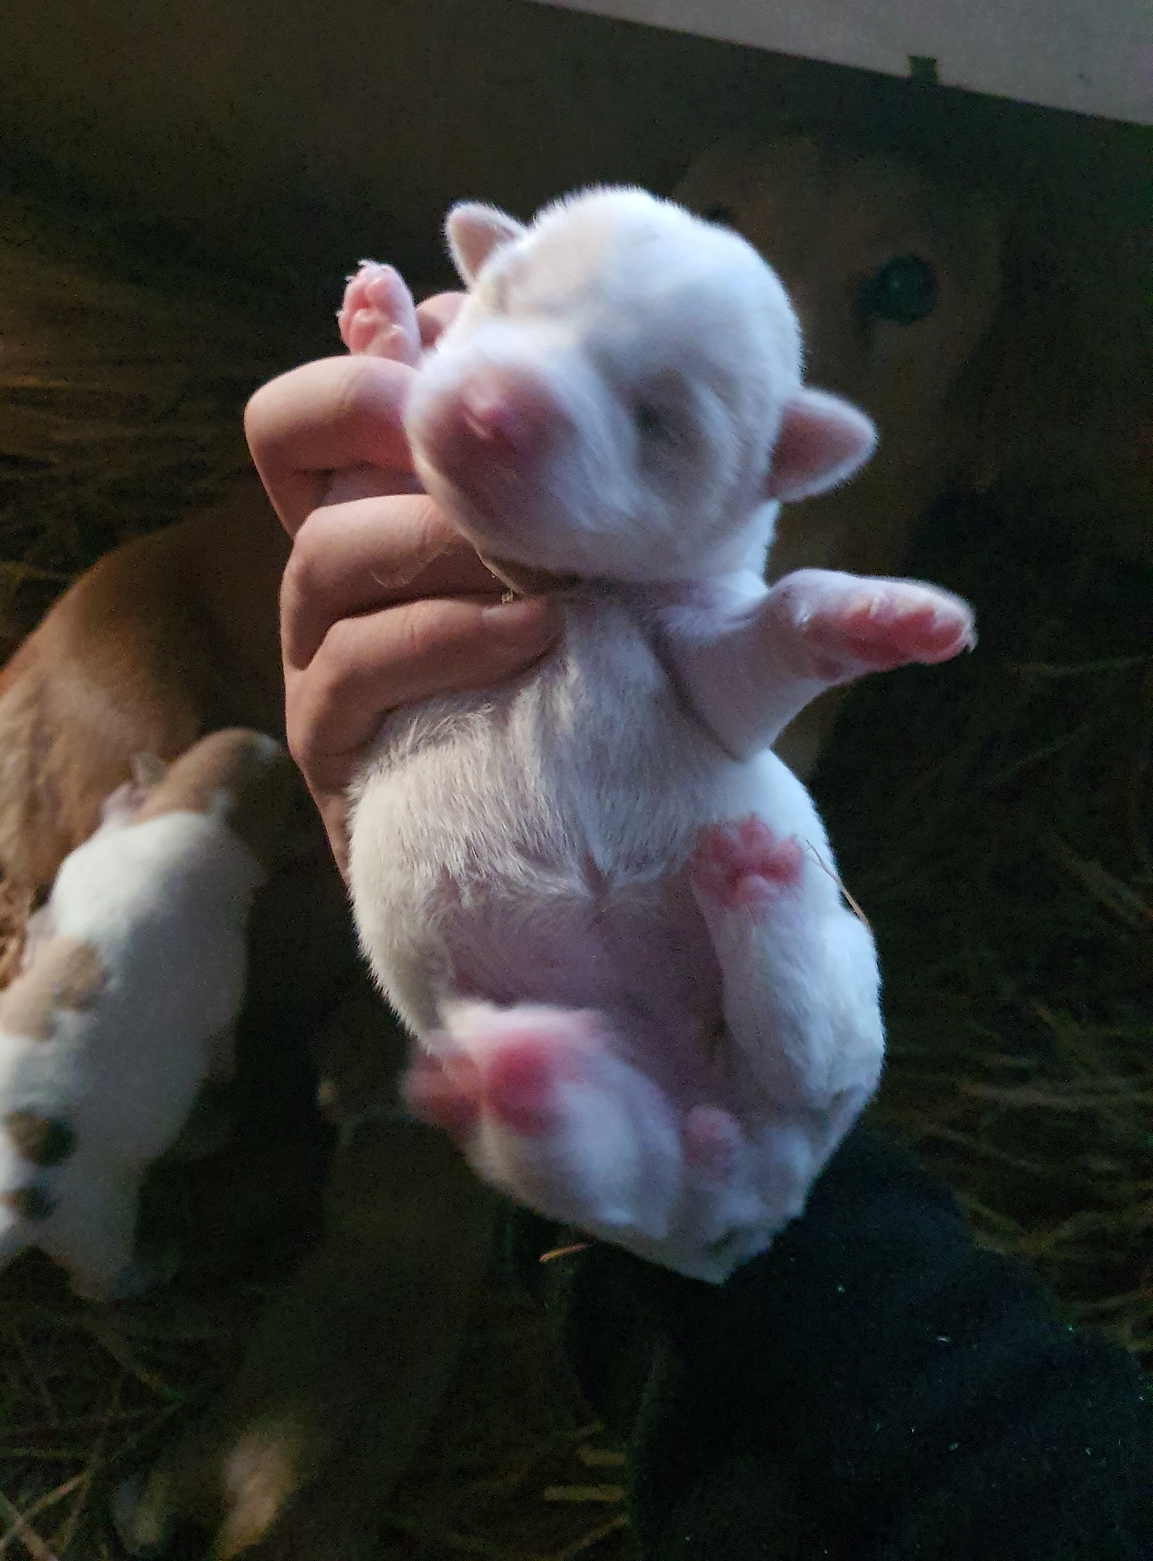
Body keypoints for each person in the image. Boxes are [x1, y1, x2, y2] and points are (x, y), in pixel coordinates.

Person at [244, 303, 1152, 1561]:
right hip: (780, 1219)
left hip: (756, 1219)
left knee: (734, 1037)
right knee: (728, 1053)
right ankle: (587, 1092)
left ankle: (563, 1094)